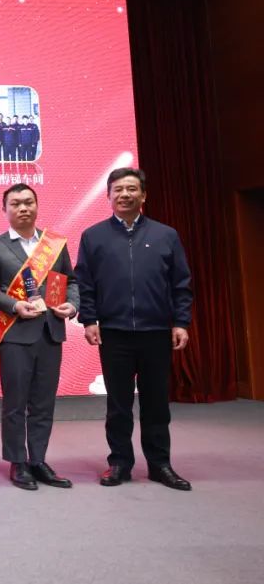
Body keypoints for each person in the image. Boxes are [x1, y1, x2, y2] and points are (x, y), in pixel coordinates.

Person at [75, 167, 193, 491]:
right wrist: (89, 320)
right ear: (108, 196)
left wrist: (181, 322)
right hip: (114, 333)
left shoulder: (165, 235)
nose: (125, 194)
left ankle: (160, 464)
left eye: (131, 189)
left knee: (156, 403)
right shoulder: (93, 236)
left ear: (144, 195)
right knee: (118, 404)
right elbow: (85, 284)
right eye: (118, 189)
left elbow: (180, 284)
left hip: (156, 331)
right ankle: (119, 463)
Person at [0, 184, 78, 490]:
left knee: (43, 403)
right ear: (4, 210)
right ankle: (17, 462)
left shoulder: (55, 244)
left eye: (28, 202)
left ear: (37, 205)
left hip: (51, 332)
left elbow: (72, 281)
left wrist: (72, 305)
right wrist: (13, 305)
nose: (23, 208)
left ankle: (38, 459)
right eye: (15, 204)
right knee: (15, 403)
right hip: (14, 334)